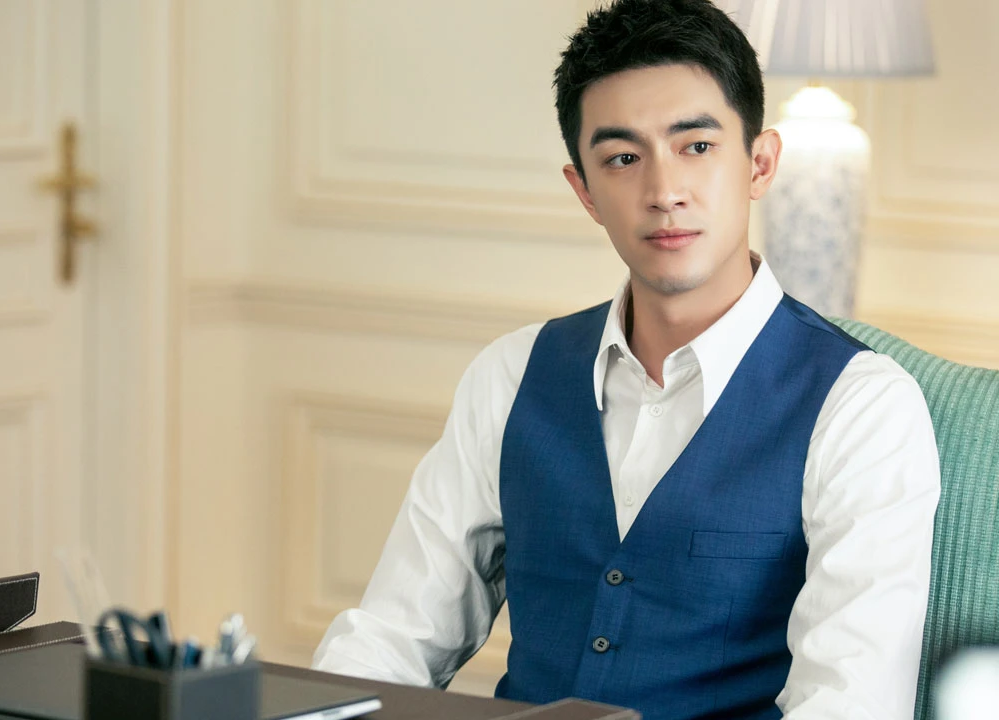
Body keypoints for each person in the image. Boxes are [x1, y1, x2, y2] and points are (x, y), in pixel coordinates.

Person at [312, 1, 941, 718]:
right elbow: (394, 634)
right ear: (584, 190)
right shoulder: (510, 376)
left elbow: (849, 704)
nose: (663, 192)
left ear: (760, 163)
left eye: (696, 146)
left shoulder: (861, 407)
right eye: (622, 158)